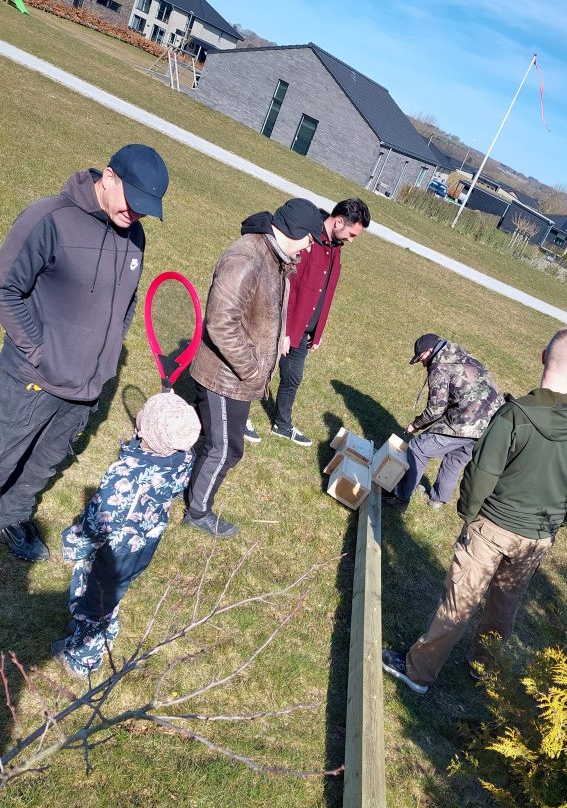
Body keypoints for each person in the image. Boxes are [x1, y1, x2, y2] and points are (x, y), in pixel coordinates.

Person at [382, 327, 567, 694]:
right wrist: (555, 522)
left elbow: (481, 472)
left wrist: (469, 513)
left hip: (491, 527)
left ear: (542, 358)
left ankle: (419, 671)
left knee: (460, 601)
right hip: (536, 538)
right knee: (505, 604)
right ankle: (484, 666)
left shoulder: (513, 415)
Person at [0, 144, 169, 563]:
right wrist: (38, 350)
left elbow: (127, 300)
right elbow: (6, 288)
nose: (137, 213)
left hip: (86, 387)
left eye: (146, 209)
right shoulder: (49, 218)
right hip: (33, 377)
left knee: (44, 462)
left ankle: (11, 515)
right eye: (132, 200)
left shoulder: (135, 235)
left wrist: (107, 354)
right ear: (108, 177)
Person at [184, 198, 326, 538]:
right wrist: (251, 369)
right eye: (309, 239)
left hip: (240, 377)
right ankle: (197, 512)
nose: (309, 247)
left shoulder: (275, 258)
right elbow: (221, 323)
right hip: (225, 377)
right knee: (225, 449)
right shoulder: (247, 257)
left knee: (215, 442)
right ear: (295, 230)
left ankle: (182, 480)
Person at [52, 392, 201, 679]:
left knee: (94, 601)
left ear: (142, 430)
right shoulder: (183, 457)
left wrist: (72, 542)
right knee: (111, 593)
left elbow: (98, 521)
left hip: (114, 553)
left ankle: (83, 657)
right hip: (143, 545)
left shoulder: (127, 476)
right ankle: (103, 627)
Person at [244, 198, 370, 447]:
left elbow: (326, 291)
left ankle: (282, 424)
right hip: (285, 325)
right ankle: (240, 417)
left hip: (304, 330)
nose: (351, 240)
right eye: (352, 234)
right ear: (339, 222)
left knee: (293, 377)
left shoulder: (335, 247)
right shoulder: (307, 238)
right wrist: (285, 330)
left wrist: (317, 330)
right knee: (261, 369)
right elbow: (289, 284)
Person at [386, 334, 503, 510]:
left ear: (429, 351)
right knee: (455, 458)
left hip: (466, 421)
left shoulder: (439, 367)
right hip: (492, 423)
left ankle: (400, 496)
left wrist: (416, 425)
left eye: (421, 358)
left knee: (418, 448)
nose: (422, 363)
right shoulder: (462, 355)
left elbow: (436, 409)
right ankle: (437, 500)